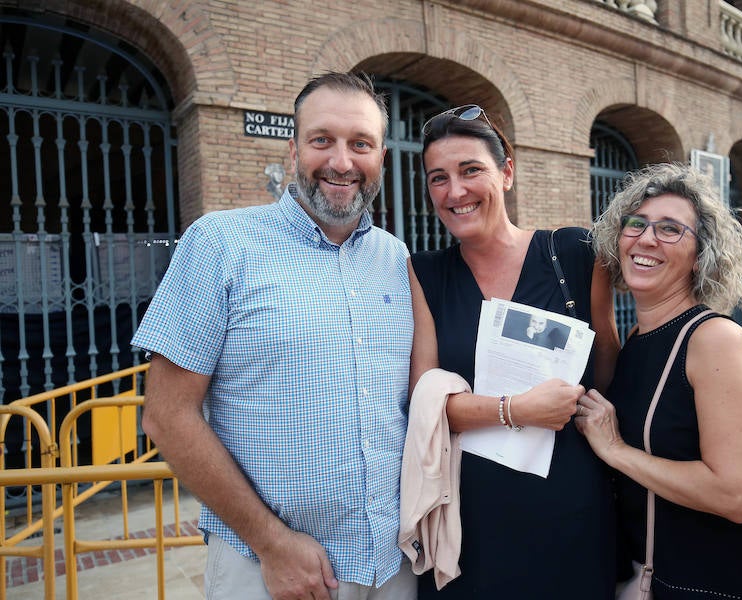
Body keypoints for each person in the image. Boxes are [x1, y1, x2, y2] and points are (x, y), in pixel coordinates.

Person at [132, 72, 415, 600]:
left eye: (361, 144)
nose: (341, 162)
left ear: (381, 157)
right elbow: (167, 415)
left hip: (392, 563)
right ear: (293, 150)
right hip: (270, 568)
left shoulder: (396, 260)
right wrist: (271, 542)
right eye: (321, 140)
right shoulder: (221, 243)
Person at [408, 104, 621, 598]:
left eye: (470, 170)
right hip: (469, 515)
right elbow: (427, 403)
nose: (454, 192)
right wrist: (517, 410)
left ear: (506, 172)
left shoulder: (575, 253)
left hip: (570, 499)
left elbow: (606, 359)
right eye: (438, 178)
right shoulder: (424, 273)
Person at [577, 163, 742, 599]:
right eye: (636, 224)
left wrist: (615, 449)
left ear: (702, 254)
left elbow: (735, 495)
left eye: (670, 229)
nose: (646, 238)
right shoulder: (639, 339)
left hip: (726, 583)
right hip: (656, 576)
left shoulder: (716, 339)